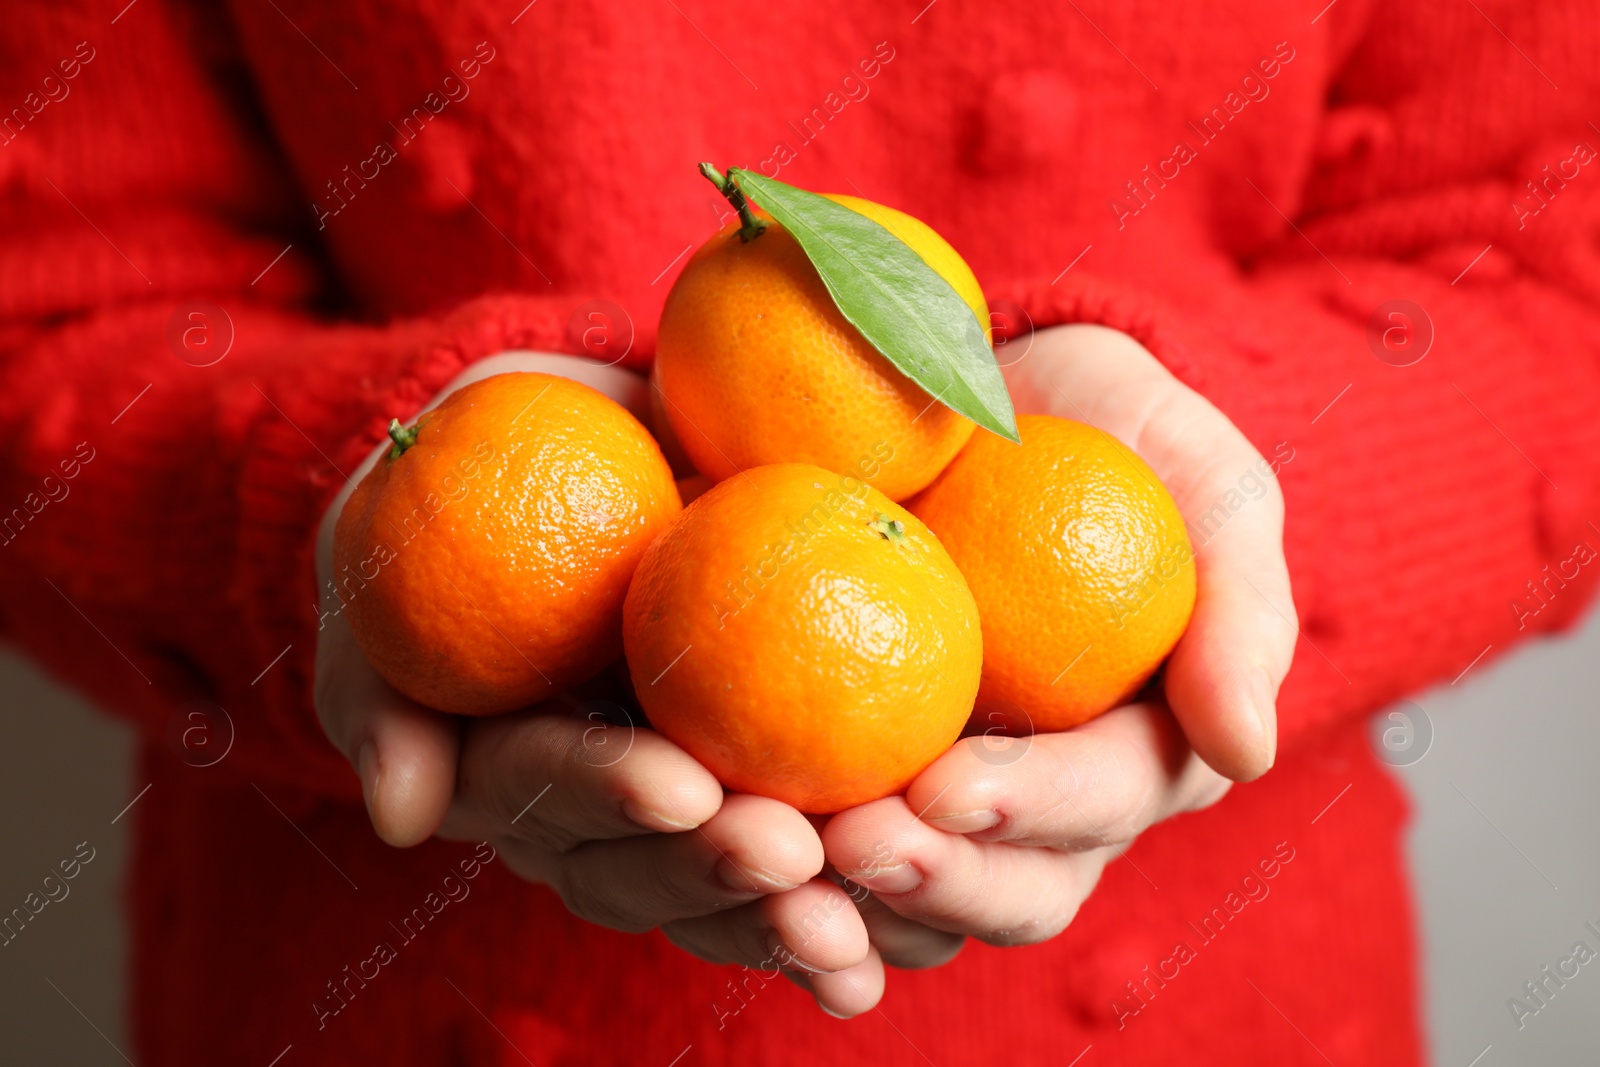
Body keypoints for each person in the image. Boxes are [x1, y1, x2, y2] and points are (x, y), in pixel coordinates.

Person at [2, 1, 1596, 1063]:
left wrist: (1229, 489)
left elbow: (1557, 271)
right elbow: (49, 310)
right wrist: (354, 520)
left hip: (1221, 1000)